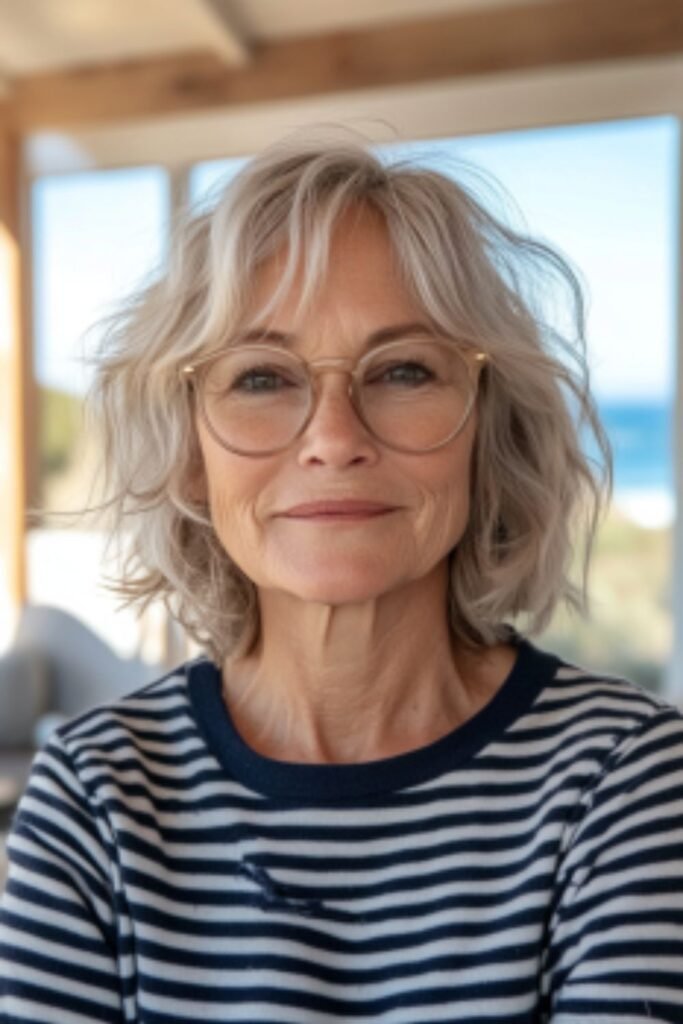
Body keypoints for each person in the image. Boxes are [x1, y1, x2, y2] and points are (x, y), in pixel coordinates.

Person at [1, 130, 682, 1024]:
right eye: (260, 378)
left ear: (487, 430)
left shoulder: (627, 779)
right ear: (191, 456)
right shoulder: (95, 797)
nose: (332, 436)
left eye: (403, 370)